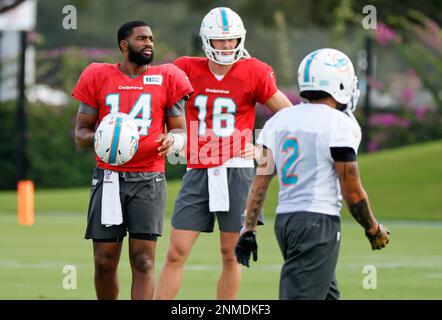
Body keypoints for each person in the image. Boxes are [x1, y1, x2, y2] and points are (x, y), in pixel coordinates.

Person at [155, 7, 292, 300]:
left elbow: (291, 118)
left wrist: (261, 149)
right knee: (176, 251)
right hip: (198, 169)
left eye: (232, 40)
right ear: (206, 40)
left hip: (237, 169)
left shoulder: (254, 70)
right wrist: (171, 135)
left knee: (231, 254)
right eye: (220, 40)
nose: (227, 46)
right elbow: (157, 100)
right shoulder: (185, 68)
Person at [235, 48, 390, 300]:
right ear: (338, 84)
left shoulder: (279, 120)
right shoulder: (338, 124)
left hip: (286, 222)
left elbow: (261, 182)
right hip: (317, 223)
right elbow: (352, 190)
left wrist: (248, 229)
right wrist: (373, 229)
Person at [72, 21, 193, 300]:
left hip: (148, 178)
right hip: (109, 178)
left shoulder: (167, 77)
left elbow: (179, 130)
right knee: (104, 260)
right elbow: (80, 134)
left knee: (143, 260)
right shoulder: (97, 74)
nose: (149, 43)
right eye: (141, 38)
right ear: (124, 45)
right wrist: (103, 137)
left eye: (151, 38)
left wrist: (174, 140)